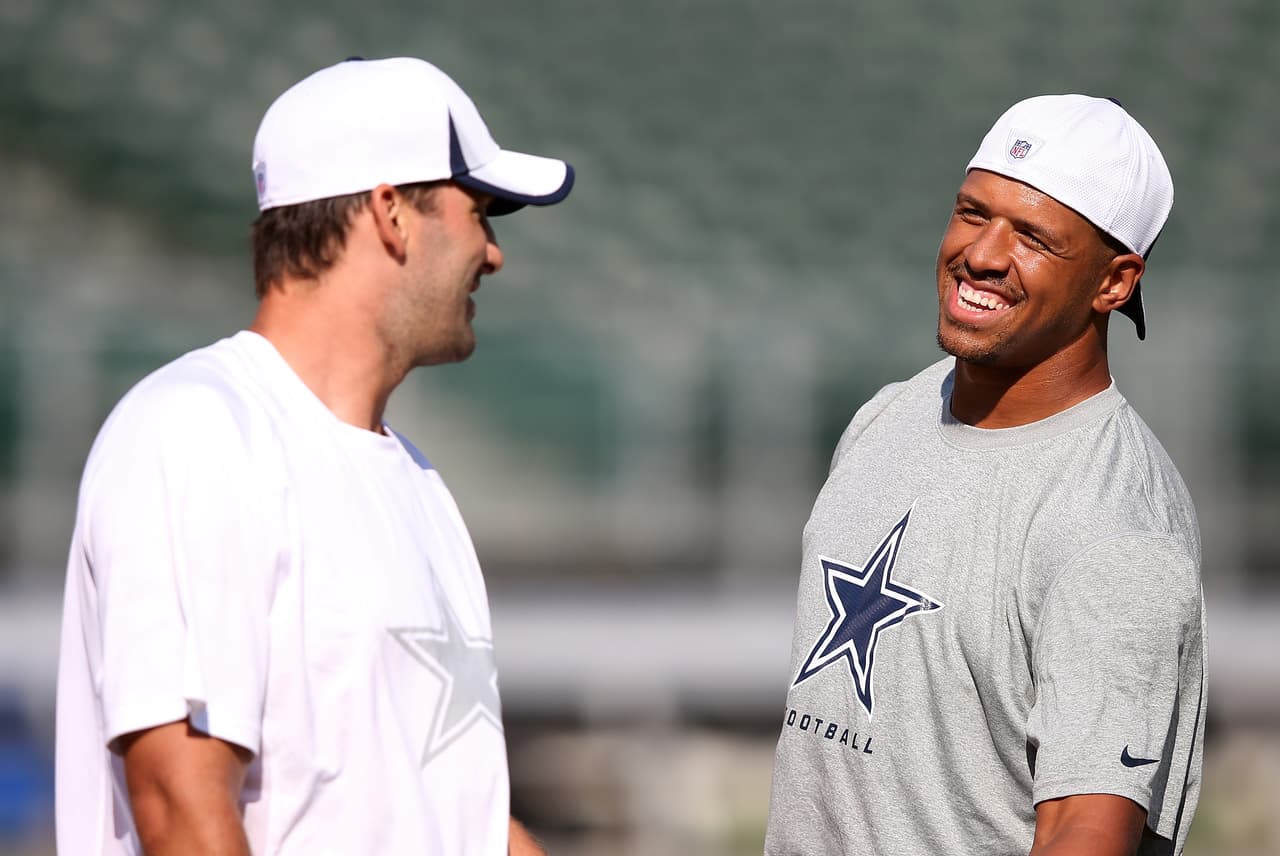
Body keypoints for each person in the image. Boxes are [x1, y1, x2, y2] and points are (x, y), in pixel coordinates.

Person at [55, 56, 573, 855]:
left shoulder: (417, 481)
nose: (494, 252)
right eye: (481, 209)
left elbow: (456, 818)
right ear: (392, 212)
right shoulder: (197, 432)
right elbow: (180, 808)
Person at [765, 95, 1205, 855]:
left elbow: (1083, 833)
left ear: (1114, 283)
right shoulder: (886, 416)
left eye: (1033, 236)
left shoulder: (1117, 530)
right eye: (973, 212)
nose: (982, 253)